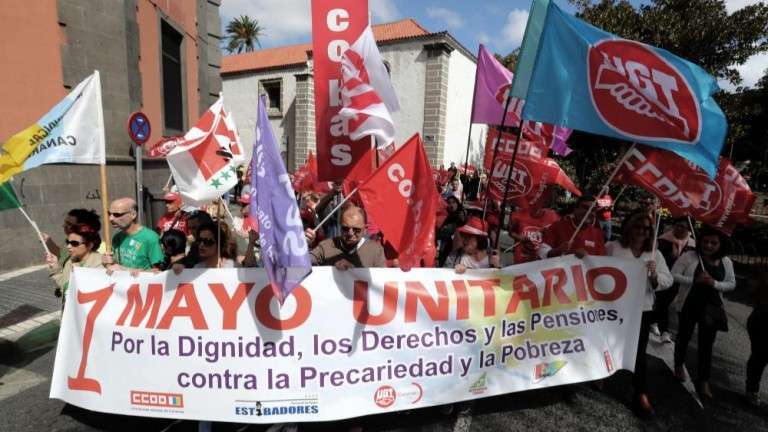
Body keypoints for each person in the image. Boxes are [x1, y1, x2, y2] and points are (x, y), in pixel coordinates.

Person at [606, 212, 673, 415]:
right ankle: (600, 374)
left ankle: (640, 392)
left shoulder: (654, 254)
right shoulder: (613, 248)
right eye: (638, 227)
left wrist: (654, 276)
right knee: (606, 342)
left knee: (638, 353)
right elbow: (597, 270)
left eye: (646, 228)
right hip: (613, 308)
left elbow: (667, 280)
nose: (642, 231)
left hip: (642, 310)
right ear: (629, 228)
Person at [671, 226, 736, 400]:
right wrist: (694, 280)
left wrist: (714, 283)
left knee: (706, 346)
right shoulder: (690, 257)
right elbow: (673, 275)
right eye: (705, 241)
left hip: (711, 308)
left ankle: (704, 381)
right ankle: (678, 365)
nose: (708, 245)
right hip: (689, 305)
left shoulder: (726, 261)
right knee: (683, 337)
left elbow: (731, 283)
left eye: (713, 243)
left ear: (720, 244)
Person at [653, 217, 696, 343]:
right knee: (664, 302)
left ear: (689, 229)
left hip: (682, 280)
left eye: (683, 226)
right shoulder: (662, 240)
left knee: (674, 305)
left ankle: (653, 320)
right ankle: (664, 331)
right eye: (677, 225)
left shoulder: (693, 245)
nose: (680, 228)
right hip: (665, 277)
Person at [305, 206, 386, 269]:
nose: (350, 233)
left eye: (356, 229)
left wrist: (354, 272)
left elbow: (381, 282)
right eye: (345, 228)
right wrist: (304, 244)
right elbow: (302, 263)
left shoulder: (376, 251)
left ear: (365, 229)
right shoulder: (326, 246)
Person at [45, 223, 103, 307]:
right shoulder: (71, 261)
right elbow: (64, 286)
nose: (68, 246)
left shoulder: (100, 265)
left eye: (74, 243)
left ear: (90, 245)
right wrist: (56, 269)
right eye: (67, 242)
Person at [103, 197, 164, 272]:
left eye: (117, 214)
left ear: (133, 214)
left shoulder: (150, 238)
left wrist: (125, 270)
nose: (111, 218)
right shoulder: (117, 237)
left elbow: (158, 272)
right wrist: (107, 263)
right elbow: (116, 266)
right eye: (109, 214)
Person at [539, 195, 606, 259]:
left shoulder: (598, 234)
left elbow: (600, 261)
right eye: (585, 208)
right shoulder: (558, 226)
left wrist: (587, 258)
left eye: (593, 210)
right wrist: (558, 251)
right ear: (575, 209)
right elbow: (542, 252)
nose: (588, 212)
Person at [746, 269, 768, 406]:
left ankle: (752, 391)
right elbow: (753, 291)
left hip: (760, 318)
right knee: (759, 357)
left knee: (759, 358)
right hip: (762, 321)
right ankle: (751, 391)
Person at [437, 196, 466, 267]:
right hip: (445, 245)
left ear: (457, 203)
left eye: (453, 202)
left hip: (457, 247)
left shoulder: (461, 214)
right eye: (449, 203)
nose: (451, 205)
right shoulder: (446, 215)